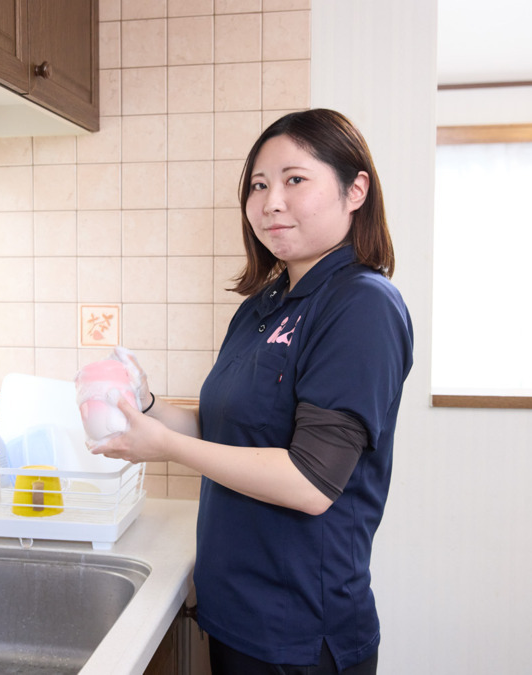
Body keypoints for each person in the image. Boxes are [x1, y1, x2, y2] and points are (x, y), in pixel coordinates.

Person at [90, 109, 414, 675]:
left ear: (355, 190)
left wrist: (164, 447)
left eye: (295, 180)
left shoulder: (362, 304)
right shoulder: (262, 307)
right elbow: (226, 430)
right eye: (259, 186)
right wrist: (147, 406)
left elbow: (311, 482)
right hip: (238, 612)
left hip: (300, 630)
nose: (271, 203)